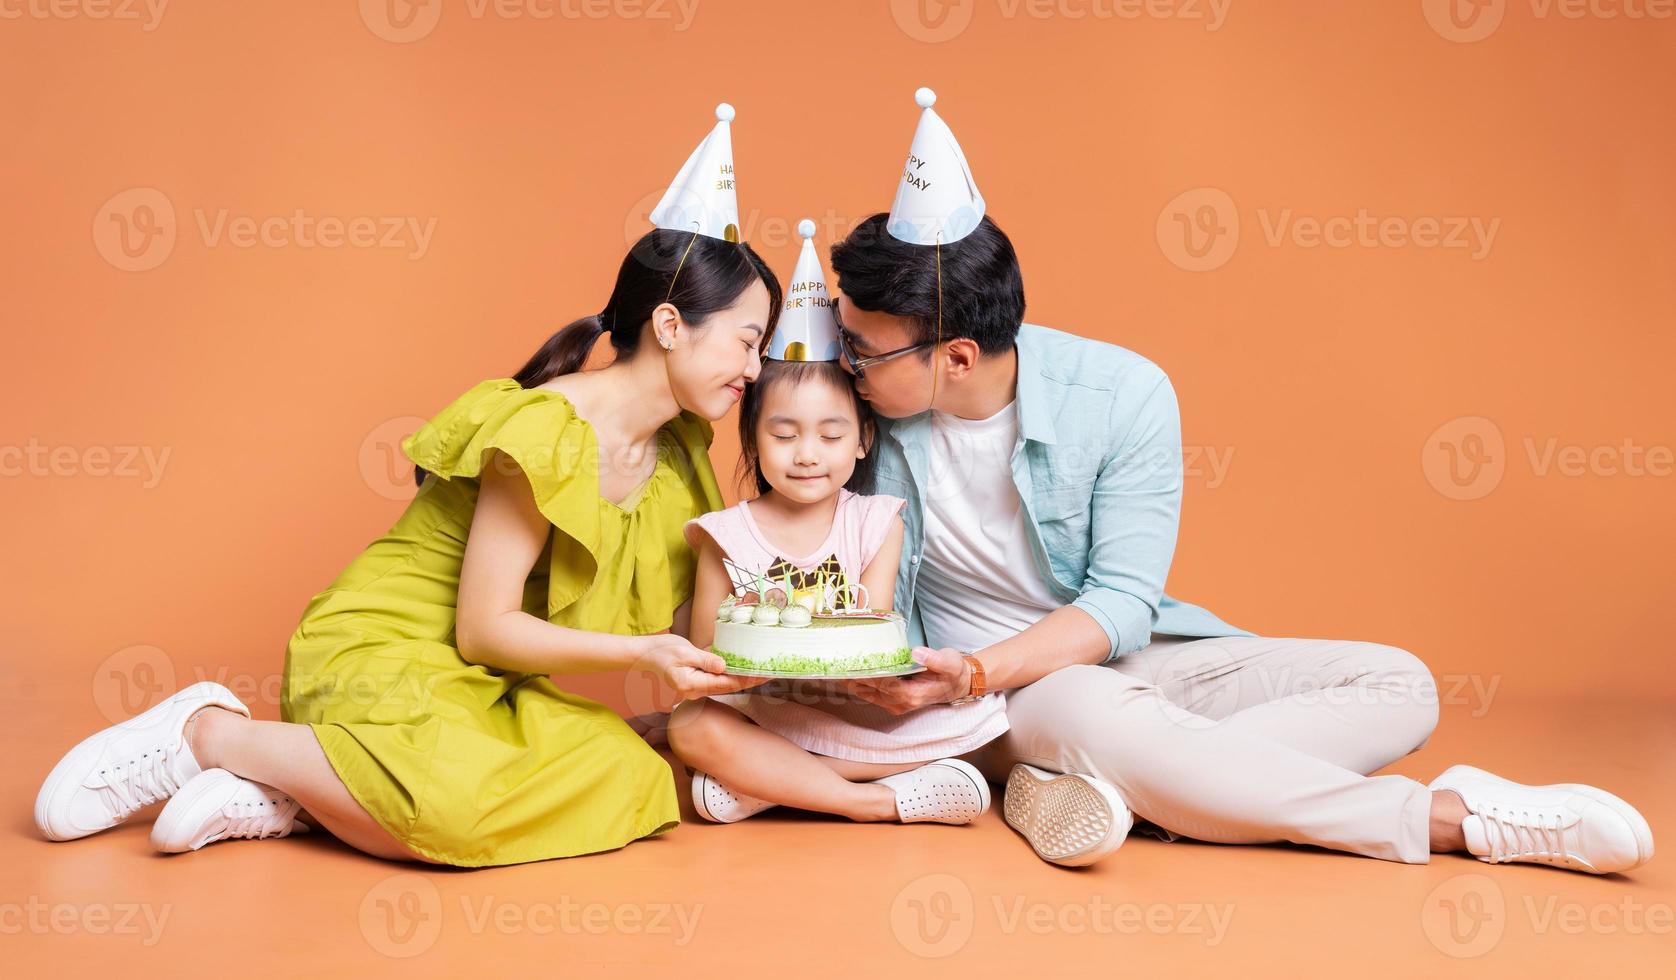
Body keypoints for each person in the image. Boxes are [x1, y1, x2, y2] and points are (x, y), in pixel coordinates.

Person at [822, 88, 1655, 872]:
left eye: (863, 348)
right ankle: (1452, 819)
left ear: (957, 357)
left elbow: (1121, 602)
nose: (845, 362)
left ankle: (1128, 786)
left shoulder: (1122, 393)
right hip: (993, 709)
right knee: (1087, 713)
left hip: (1106, 669)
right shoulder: (848, 418)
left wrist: (982, 667)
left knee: (1400, 681)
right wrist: (957, 680)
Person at [33, 105, 781, 866]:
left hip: (484, 690)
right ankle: (210, 734)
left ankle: (288, 796)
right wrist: (640, 655)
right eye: (746, 343)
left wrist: (790, 661)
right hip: (389, 655)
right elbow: (484, 630)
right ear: (669, 325)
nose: (754, 372)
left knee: (629, 776)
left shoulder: (682, 454)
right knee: (454, 806)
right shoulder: (546, 430)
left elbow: (694, 617)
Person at [668, 220, 1003, 828]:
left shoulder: (877, 521)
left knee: (975, 722)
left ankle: (769, 782)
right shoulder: (723, 534)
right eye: (783, 433)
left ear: (861, 440)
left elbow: (865, 644)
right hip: (763, 710)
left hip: (856, 710)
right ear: (752, 438)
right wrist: (739, 669)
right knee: (692, 725)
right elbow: (703, 662)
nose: (806, 455)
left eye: (831, 434)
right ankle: (875, 800)